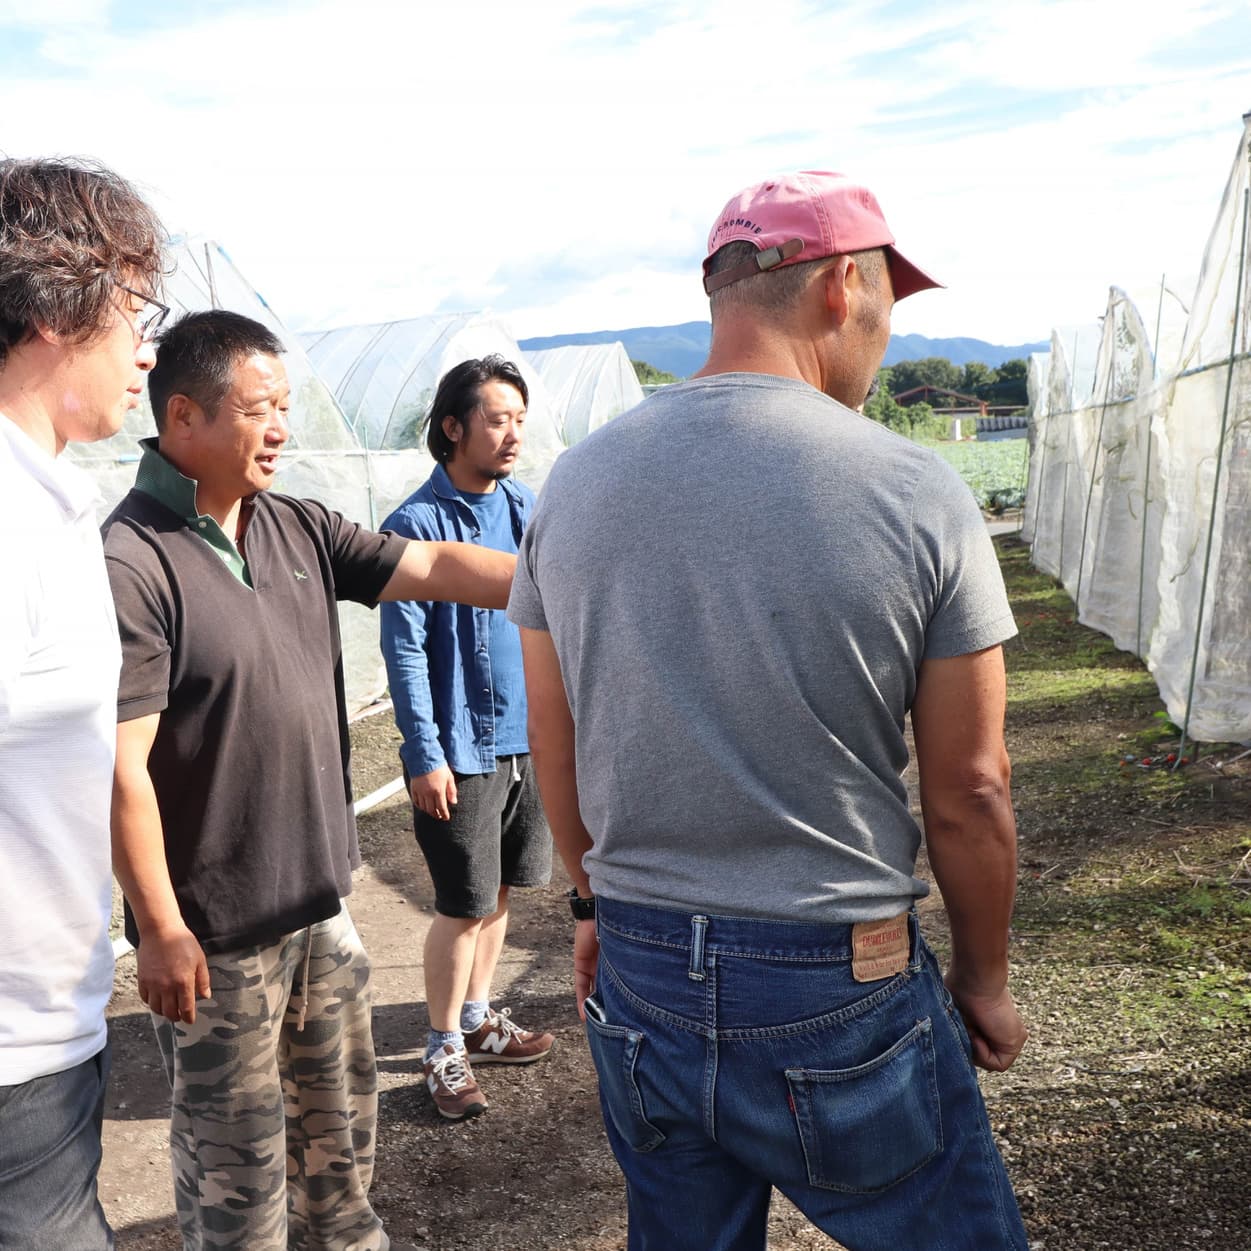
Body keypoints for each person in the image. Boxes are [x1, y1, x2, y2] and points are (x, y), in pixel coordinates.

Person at [508, 171, 1031, 1250]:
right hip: (835, 973)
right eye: (888, 298)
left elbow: (553, 736)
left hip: (643, 966)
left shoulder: (575, 484)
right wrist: (982, 977)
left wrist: (593, 904)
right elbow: (971, 787)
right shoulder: (915, 491)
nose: (885, 331)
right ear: (842, 287)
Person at [104, 310, 515, 1251]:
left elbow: (434, 564)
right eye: (261, 409)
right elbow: (121, 769)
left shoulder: (295, 524)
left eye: (287, 406)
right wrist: (161, 927)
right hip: (215, 938)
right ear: (183, 416)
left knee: (339, 1149)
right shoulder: (133, 560)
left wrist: (567, 576)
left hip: (319, 910)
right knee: (238, 1174)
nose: (283, 428)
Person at [0, 156, 165, 1251]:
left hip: (44, 1043)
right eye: (138, 311)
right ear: (62, 307)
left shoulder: (50, 497)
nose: (147, 348)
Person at [379, 356, 554, 1122]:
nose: (512, 434)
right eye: (496, 419)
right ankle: (443, 1044)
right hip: (459, 746)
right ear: (452, 427)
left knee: (502, 889)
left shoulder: (525, 507)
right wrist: (424, 752)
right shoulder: (415, 524)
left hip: (525, 737)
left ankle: (479, 1018)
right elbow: (405, 650)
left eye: (519, 419)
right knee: (461, 903)